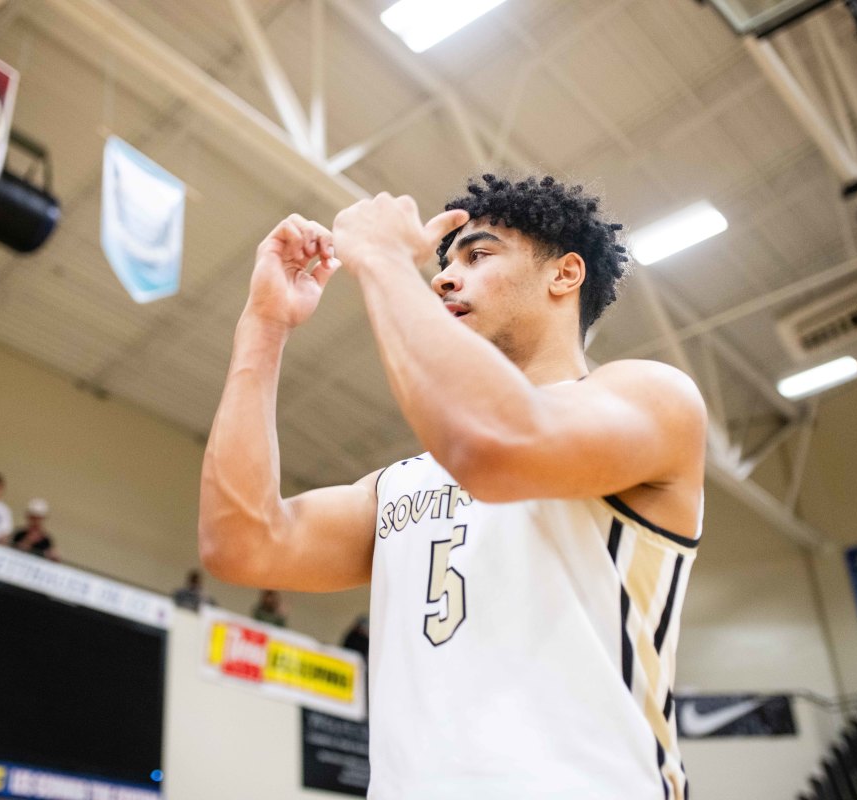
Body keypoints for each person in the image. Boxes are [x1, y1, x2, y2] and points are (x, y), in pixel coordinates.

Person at [199, 175, 707, 799]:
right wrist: (264, 323)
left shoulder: (651, 397)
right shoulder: (400, 485)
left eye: (478, 254)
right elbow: (241, 544)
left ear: (565, 274)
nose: (443, 277)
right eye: (444, 262)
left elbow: (493, 447)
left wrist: (385, 259)